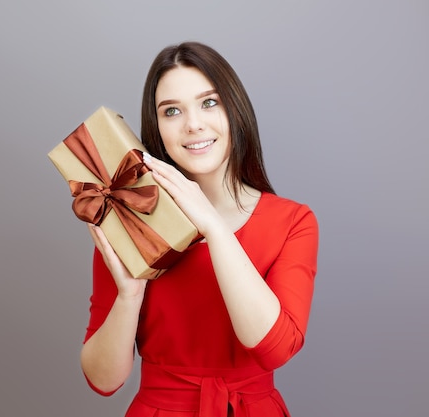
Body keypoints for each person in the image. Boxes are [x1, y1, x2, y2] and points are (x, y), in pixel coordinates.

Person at [81, 41, 319, 417]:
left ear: (235, 109)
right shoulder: (128, 217)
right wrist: (129, 295)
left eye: (209, 102)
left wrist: (212, 226)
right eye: (172, 111)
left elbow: (273, 348)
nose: (193, 124)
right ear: (157, 127)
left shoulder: (293, 222)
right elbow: (103, 381)